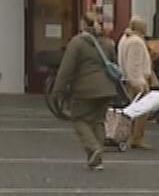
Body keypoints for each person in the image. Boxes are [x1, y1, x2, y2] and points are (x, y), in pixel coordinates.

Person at [51, 16, 120, 171]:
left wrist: (58, 90)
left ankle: (94, 147)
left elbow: (66, 69)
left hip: (84, 90)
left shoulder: (77, 43)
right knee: (98, 121)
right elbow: (115, 64)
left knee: (79, 119)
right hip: (106, 89)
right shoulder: (108, 43)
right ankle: (97, 160)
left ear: (83, 24)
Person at [117, 18, 156, 151]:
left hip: (126, 79)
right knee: (141, 112)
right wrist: (140, 83)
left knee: (131, 110)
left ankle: (129, 137)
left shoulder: (125, 38)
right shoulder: (137, 42)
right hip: (136, 81)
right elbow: (134, 65)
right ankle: (137, 138)